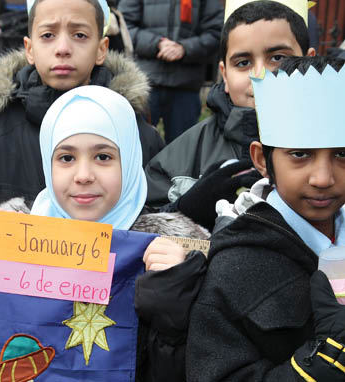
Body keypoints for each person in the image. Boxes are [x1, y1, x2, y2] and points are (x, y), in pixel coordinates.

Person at [30, 85, 209, 381]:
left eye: (103, 157)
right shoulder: (19, 236)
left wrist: (176, 300)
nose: (84, 175)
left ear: (128, 158)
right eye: (66, 158)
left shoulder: (175, 253)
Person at [186, 56, 345, 381]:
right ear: (261, 159)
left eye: (343, 154)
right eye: (300, 155)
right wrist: (319, 364)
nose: (323, 178)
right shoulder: (232, 272)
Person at [0, 0, 164, 208]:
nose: (63, 49)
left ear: (101, 49)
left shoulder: (135, 135)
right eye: (48, 35)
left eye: (79, 35)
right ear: (29, 49)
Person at [143, 0, 315, 230]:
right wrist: (185, 210)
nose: (260, 75)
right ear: (224, 74)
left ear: (309, 60)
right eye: (243, 63)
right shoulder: (180, 158)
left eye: (278, 58)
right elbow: (143, 224)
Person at [119, 0, 222, 143]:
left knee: (183, 151)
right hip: (144, 84)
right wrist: (157, 44)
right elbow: (124, 27)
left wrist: (184, 48)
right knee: (137, 145)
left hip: (185, 85)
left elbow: (216, 33)